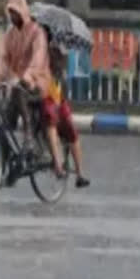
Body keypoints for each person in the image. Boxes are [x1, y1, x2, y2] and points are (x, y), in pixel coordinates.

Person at [0, 0, 49, 184]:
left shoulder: (37, 33)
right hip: (18, 84)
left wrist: (28, 76)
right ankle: (7, 164)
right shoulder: (10, 35)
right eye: (10, 13)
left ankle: (29, 138)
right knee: (1, 126)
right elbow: (4, 59)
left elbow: (38, 58)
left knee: (20, 93)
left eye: (15, 12)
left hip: (37, 84)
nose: (12, 17)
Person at [41, 25, 91, 189]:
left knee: (71, 129)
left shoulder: (59, 51)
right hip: (43, 97)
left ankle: (80, 173)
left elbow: (60, 71)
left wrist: (55, 57)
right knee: (51, 121)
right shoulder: (36, 51)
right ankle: (57, 164)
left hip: (58, 97)